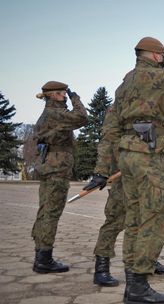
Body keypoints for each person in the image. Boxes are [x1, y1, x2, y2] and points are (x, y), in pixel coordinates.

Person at [86, 36, 164, 303]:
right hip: (149, 156)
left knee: (135, 220)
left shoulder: (124, 85)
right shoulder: (158, 77)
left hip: (128, 155)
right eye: (161, 55)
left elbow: (111, 129)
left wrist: (102, 168)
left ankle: (133, 285)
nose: (163, 59)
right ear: (155, 55)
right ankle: (139, 285)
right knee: (153, 218)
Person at [86, 106, 164, 288]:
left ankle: (148, 261)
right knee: (115, 218)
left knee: (148, 218)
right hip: (123, 170)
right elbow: (108, 140)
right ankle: (101, 267)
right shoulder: (119, 109)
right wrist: (101, 171)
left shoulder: (152, 107)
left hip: (148, 169)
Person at [31, 81, 88, 273]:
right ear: (53, 95)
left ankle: (41, 256)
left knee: (45, 211)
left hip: (49, 167)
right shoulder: (55, 114)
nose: (65, 96)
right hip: (56, 170)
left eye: (65, 93)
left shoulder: (47, 115)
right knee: (51, 213)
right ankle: (44, 260)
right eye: (62, 93)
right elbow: (82, 117)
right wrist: (75, 97)